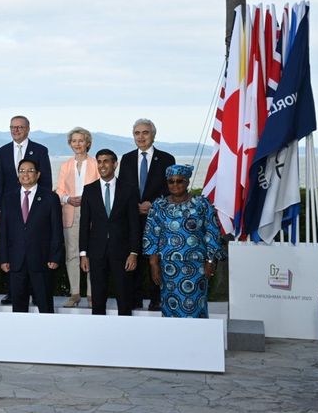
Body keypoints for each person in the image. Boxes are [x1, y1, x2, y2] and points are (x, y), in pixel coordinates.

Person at [143, 164, 224, 318]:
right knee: (170, 305)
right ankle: (173, 340)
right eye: (171, 181)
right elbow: (152, 236)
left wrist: (210, 261)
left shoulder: (201, 204)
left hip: (197, 266)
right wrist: (153, 264)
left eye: (179, 181)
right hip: (169, 267)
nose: (175, 185)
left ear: (187, 182)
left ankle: (197, 339)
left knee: (196, 305)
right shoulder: (159, 206)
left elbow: (212, 233)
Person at [0, 115, 52, 305]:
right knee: (14, 252)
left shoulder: (40, 150)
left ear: (28, 129)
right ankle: (12, 293)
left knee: (34, 253)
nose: (16, 130)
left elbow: (47, 180)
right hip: (11, 209)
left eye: (19, 127)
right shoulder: (2, 151)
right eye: (12, 127)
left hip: (34, 207)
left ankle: (36, 294)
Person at [118, 118, 176, 311]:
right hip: (132, 217)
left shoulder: (167, 159)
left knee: (155, 259)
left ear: (153, 135)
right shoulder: (126, 159)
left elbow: (171, 188)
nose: (141, 137)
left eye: (145, 132)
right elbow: (123, 188)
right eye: (137, 133)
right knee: (132, 256)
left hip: (157, 217)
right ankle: (134, 298)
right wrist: (134, 205)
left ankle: (156, 299)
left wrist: (154, 204)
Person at [78, 149, 140, 316]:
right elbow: (84, 224)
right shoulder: (89, 190)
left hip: (122, 252)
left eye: (106, 161)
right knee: (97, 298)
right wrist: (83, 254)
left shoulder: (129, 189)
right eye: (99, 161)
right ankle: (99, 334)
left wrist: (134, 253)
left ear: (115, 164)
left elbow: (134, 224)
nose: (102, 165)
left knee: (124, 296)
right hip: (96, 252)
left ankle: (126, 334)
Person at [0, 159, 64, 313]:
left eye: (30, 170)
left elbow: (56, 230)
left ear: (38, 174)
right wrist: (4, 258)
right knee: (18, 306)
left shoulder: (50, 198)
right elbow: (4, 231)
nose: (25, 174)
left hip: (42, 261)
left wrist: (55, 257)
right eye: (22, 171)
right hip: (16, 261)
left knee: (45, 304)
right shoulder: (8, 198)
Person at [55, 127, 100, 308]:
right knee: (72, 254)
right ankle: (75, 294)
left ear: (88, 143)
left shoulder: (97, 163)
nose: (77, 144)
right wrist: (67, 199)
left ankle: (91, 294)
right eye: (74, 141)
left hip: (93, 214)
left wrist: (89, 200)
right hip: (70, 212)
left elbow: (101, 187)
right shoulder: (65, 165)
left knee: (93, 253)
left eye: (81, 140)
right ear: (70, 144)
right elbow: (58, 191)